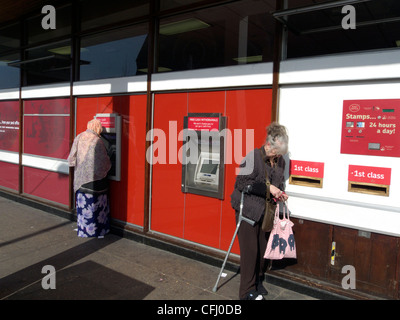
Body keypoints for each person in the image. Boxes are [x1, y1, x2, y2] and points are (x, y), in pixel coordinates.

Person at [230, 122, 289, 300]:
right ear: (268, 144)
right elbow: (241, 183)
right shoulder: (253, 156)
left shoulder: (281, 162)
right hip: (247, 211)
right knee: (251, 253)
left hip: (266, 213)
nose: (277, 156)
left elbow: (278, 183)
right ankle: (246, 292)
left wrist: (280, 193)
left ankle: (257, 282)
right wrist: (268, 188)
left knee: (264, 252)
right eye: (275, 152)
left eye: (280, 153)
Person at [68, 119, 112, 238]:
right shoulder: (98, 141)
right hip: (97, 182)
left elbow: (71, 159)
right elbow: (104, 162)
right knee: (98, 209)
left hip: (81, 181)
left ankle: (84, 231)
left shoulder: (79, 137)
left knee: (84, 208)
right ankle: (98, 231)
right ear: (97, 127)